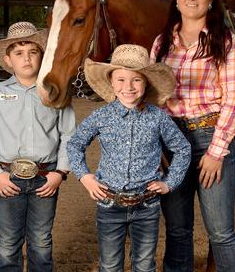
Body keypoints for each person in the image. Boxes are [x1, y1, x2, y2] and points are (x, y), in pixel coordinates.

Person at [151, 0, 235, 271]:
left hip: (211, 137)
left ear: (210, 0)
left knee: (220, 232)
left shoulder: (225, 42)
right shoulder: (162, 44)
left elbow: (234, 102)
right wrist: (159, 145)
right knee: (178, 231)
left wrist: (217, 153)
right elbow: (153, 100)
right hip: (171, 140)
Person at [67, 44, 191, 272]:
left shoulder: (158, 118)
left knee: (144, 265)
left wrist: (169, 182)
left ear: (146, 83)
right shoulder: (101, 116)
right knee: (110, 264)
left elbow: (182, 148)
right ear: (112, 83)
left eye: (136, 80)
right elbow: (75, 144)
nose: (129, 87)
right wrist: (85, 177)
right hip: (109, 203)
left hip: (147, 205)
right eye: (121, 80)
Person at [0, 21, 76, 272]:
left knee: (41, 239)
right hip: (8, 177)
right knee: (8, 240)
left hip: (46, 177)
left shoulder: (56, 92)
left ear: (41, 55)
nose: (26, 59)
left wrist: (60, 172)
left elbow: (69, 135)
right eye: (18, 53)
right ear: (8, 60)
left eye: (33, 52)